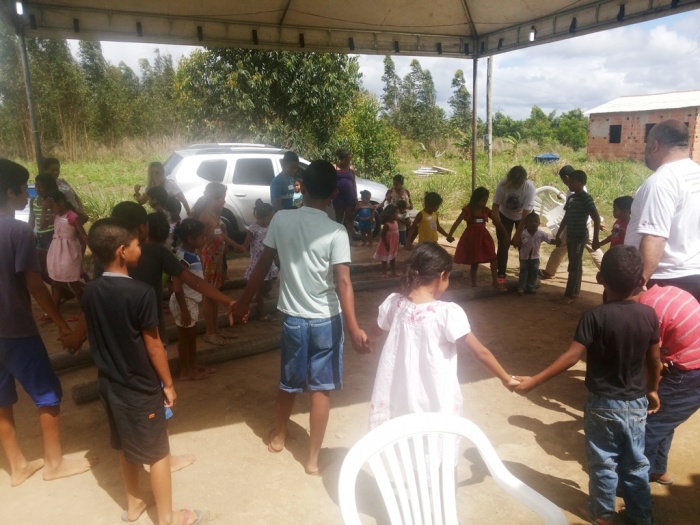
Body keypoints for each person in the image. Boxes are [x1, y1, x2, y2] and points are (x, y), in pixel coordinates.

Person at [232, 160, 368, 476]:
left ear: (301, 187)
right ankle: (313, 460)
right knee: (321, 389)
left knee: (288, 383)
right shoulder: (337, 231)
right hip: (327, 320)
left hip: (294, 319)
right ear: (334, 194)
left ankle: (279, 437)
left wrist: (242, 303)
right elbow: (343, 282)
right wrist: (353, 327)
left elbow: (262, 264)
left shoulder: (281, 219)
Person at [514, 245, 662, 525]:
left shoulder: (593, 317)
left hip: (602, 404)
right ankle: (641, 517)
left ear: (600, 278)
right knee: (636, 464)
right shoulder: (649, 315)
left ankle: (602, 515)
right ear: (641, 280)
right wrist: (653, 389)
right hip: (636, 402)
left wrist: (534, 380)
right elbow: (654, 361)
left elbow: (572, 357)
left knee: (603, 462)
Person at [79, 218, 203, 525]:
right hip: (140, 387)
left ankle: (134, 505)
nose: (141, 249)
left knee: (125, 445)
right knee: (158, 452)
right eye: (136, 244)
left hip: (109, 385)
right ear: (122, 251)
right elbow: (154, 345)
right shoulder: (141, 292)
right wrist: (168, 383)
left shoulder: (90, 290)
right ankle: (168, 517)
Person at [0, 158, 91, 486]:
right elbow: (35, 285)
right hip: (16, 328)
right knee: (47, 393)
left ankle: (18, 466)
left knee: (2, 399)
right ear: (11, 192)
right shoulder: (18, 231)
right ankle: (54, 463)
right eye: (23, 190)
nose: (28, 196)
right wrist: (64, 326)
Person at [367, 243, 519, 430]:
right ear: (442, 276)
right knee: (434, 441)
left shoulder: (394, 303)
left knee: (401, 437)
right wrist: (507, 379)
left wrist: (370, 340)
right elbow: (480, 352)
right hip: (434, 399)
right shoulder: (446, 313)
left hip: (399, 396)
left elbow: (377, 329)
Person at [625, 119, 700, 300]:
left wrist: (638, 286)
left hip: (665, 281)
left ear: (655, 146)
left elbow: (655, 238)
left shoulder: (662, 181)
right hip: (693, 276)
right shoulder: (696, 175)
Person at [636, 285, 700, 487]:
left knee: (648, 426)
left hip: (691, 372)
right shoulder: (665, 292)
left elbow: (652, 361)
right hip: (691, 364)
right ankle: (657, 468)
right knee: (664, 417)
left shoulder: (647, 312)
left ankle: (635, 483)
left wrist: (651, 390)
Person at [195, 183, 244, 345]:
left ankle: (215, 329)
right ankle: (210, 332)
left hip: (215, 262)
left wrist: (234, 245)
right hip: (208, 261)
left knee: (214, 295)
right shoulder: (205, 216)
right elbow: (205, 241)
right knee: (209, 297)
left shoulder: (214, 214)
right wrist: (237, 245)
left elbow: (221, 235)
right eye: (222, 198)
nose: (224, 201)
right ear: (213, 198)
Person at [539, 165, 604, 279]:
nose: (565, 183)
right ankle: (608, 271)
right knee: (592, 249)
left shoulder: (577, 192)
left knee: (562, 250)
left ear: (567, 177)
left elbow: (585, 212)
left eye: (564, 180)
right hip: (584, 224)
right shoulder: (578, 188)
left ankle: (550, 271)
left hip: (576, 226)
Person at [169, 219, 214, 381]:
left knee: (191, 335)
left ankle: (193, 364)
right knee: (185, 337)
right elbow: (177, 286)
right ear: (190, 239)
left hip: (190, 301)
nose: (204, 239)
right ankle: (185, 370)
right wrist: (184, 310)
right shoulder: (182, 258)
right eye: (201, 237)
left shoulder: (191, 253)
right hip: (185, 302)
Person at [555, 170, 601, 302]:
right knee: (576, 263)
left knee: (573, 266)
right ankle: (575, 291)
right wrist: (558, 234)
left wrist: (596, 239)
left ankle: (568, 295)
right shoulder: (571, 198)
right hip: (571, 235)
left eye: (572, 182)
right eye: (569, 182)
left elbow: (596, 218)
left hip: (580, 236)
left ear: (581, 183)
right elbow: (566, 217)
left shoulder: (586, 199)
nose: (569, 184)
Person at [42, 189, 88, 317]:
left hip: (69, 252)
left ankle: (84, 311)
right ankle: (53, 311)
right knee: (56, 282)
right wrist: (44, 210)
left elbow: (83, 235)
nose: (52, 209)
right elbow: (42, 226)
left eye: (53, 206)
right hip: (57, 252)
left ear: (61, 202)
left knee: (73, 281)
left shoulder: (72, 216)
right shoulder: (55, 216)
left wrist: (94, 251)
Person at [448, 186, 503, 289]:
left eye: (486, 201)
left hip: (484, 237)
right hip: (471, 238)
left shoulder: (486, 210)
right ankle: (473, 283)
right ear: (476, 199)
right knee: (475, 261)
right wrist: (450, 235)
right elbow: (457, 222)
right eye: (482, 201)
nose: (484, 203)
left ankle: (495, 281)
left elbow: (497, 221)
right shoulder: (468, 210)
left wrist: (505, 235)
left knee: (493, 257)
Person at [491, 165, 536, 285]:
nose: (516, 186)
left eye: (518, 184)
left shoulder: (529, 187)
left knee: (523, 245)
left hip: (523, 217)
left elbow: (526, 214)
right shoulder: (502, 185)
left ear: (524, 180)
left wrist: (517, 235)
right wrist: (497, 221)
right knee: (503, 244)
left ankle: (525, 274)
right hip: (505, 215)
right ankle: (501, 274)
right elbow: (495, 206)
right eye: (514, 183)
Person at [241, 199, 278, 321]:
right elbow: (246, 245)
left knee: (269, 285)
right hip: (257, 262)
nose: (272, 219)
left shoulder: (270, 227)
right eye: (271, 217)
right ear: (265, 216)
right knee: (260, 289)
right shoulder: (252, 229)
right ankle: (262, 313)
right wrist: (239, 247)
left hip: (269, 261)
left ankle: (257, 295)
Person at [28, 173, 58, 298]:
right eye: (36, 186)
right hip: (40, 238)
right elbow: (31, 220)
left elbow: (44, 225)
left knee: (52, 270)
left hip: (52, 236)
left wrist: (46, 208)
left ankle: (57, 296)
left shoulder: (52, 202)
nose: (38, 189)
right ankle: (65, 292)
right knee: (40, 270)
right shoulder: (34, 200)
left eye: (41, 186)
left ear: (48, 187)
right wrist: (28, 234)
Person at [517, 213, 555, 296]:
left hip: (535, 257)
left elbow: (549, 239)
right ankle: (521, 288)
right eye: (530, 222)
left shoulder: (541, 233)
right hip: (524, 258)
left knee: (534, 273)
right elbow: (518, 244)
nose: (533, 223)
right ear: (526, 223)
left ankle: (531, 287)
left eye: (535, 221)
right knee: (523, 273)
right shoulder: (523, 234)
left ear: (539, 223)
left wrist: (556, 242)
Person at [41, 157, 88, 223]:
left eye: (57, 170)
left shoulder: (62, 181)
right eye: (52, 170)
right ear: (45, 170)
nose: (55, 172)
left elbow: (75, 196)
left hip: (77, 214)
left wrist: (81, 211)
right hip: (67, 218)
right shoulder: (46, 187)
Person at [333, 148, 358, 243]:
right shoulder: (334, 167)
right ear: (341, 159)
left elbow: (354, 183)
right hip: (338, 196)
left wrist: (355, 196)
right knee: (339, 218)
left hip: (349, 196)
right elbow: (331, 182)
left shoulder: (351, 168)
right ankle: (338, 240)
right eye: (346, 160)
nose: (348, 162)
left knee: (349, 217)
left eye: (349, 160)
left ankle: (350, 240)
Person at [373, 204, 400, 277]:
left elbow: (397, 234)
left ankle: (393, 271)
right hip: (387, 244)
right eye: (396, 213)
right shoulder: (387, 225)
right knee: (384, 259)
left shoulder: (396, 222)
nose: (397, 214)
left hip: (393, 244)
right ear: (391, 214)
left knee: (393, 258)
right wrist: (386, 244)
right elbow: (383, 235)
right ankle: (384, 272)